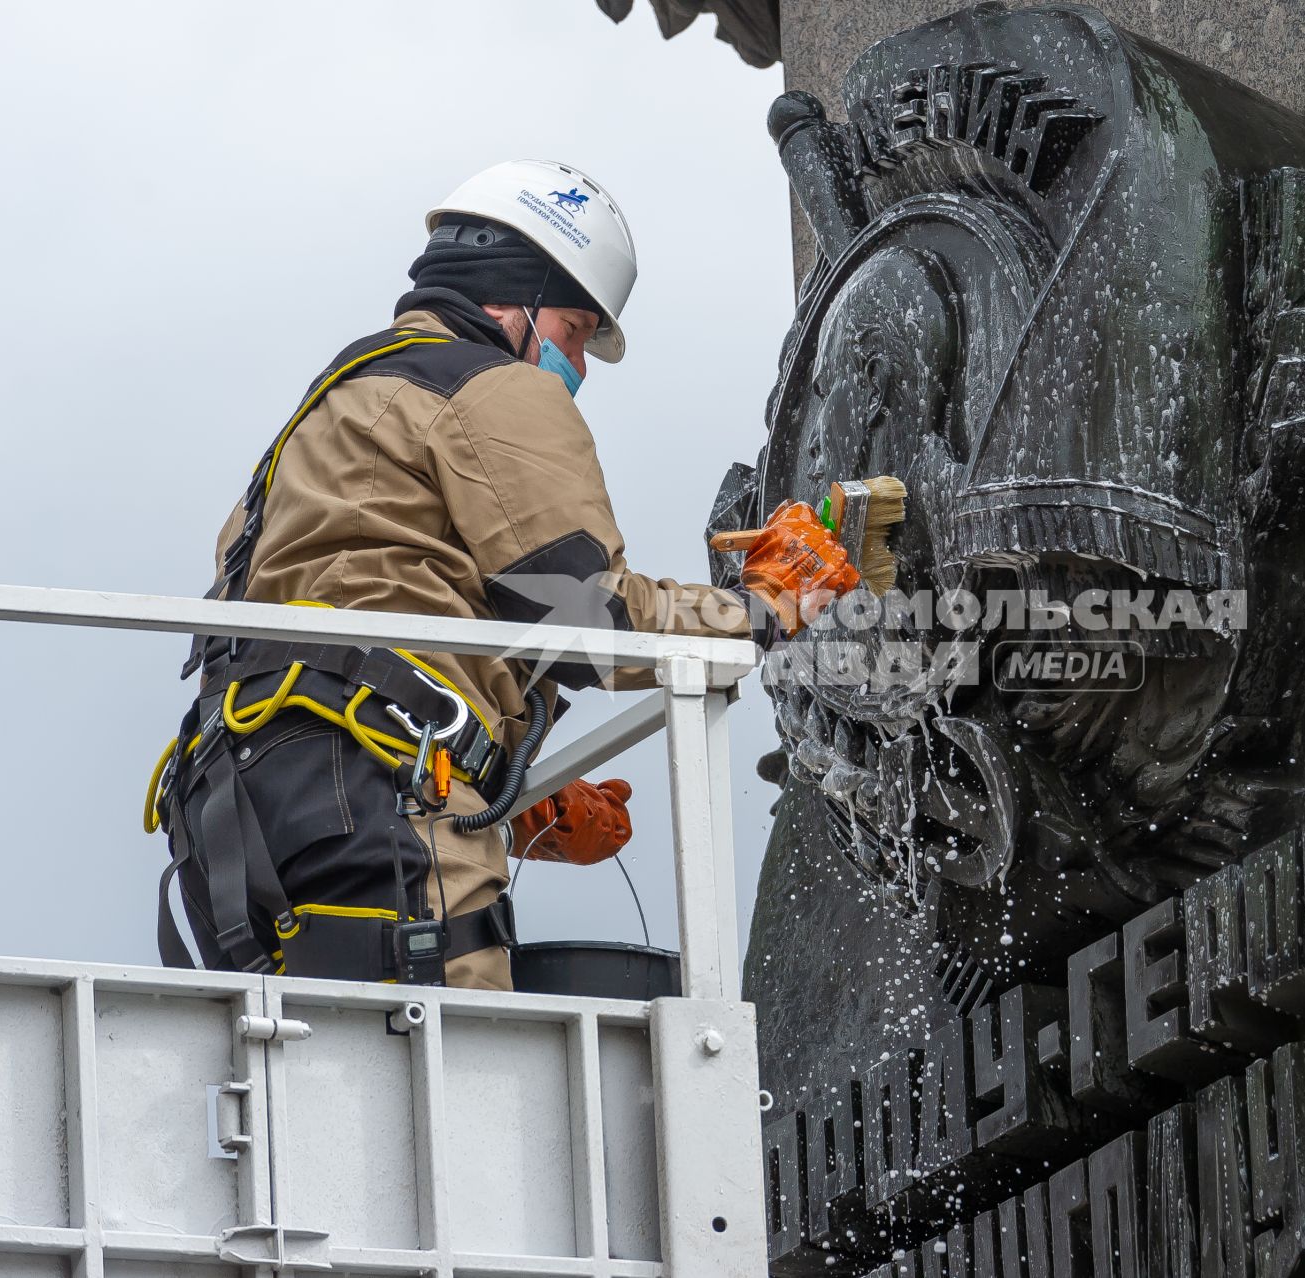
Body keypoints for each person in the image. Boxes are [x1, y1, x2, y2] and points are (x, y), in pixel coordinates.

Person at [146, 159, 853, 990]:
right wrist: (760, 607)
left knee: (317, 1084)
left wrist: (509, 784)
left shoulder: (326, 417)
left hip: (236, 812)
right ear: (514, 296)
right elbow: (585, 620)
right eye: (576, 331)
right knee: (458, 1078)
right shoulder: (492, 388)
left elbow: (387, 612)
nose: (578, 368)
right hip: (372, 801)